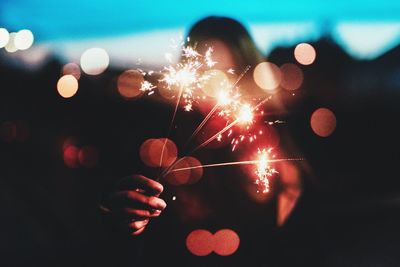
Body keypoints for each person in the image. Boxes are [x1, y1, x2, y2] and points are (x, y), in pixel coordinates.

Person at [99, 16, 309, 266]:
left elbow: (297, 244)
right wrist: (130, 224)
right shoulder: (162, 144)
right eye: (202, 73)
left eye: (226, 74)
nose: (213, 87)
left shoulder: (274, 150)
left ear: (248, 74)